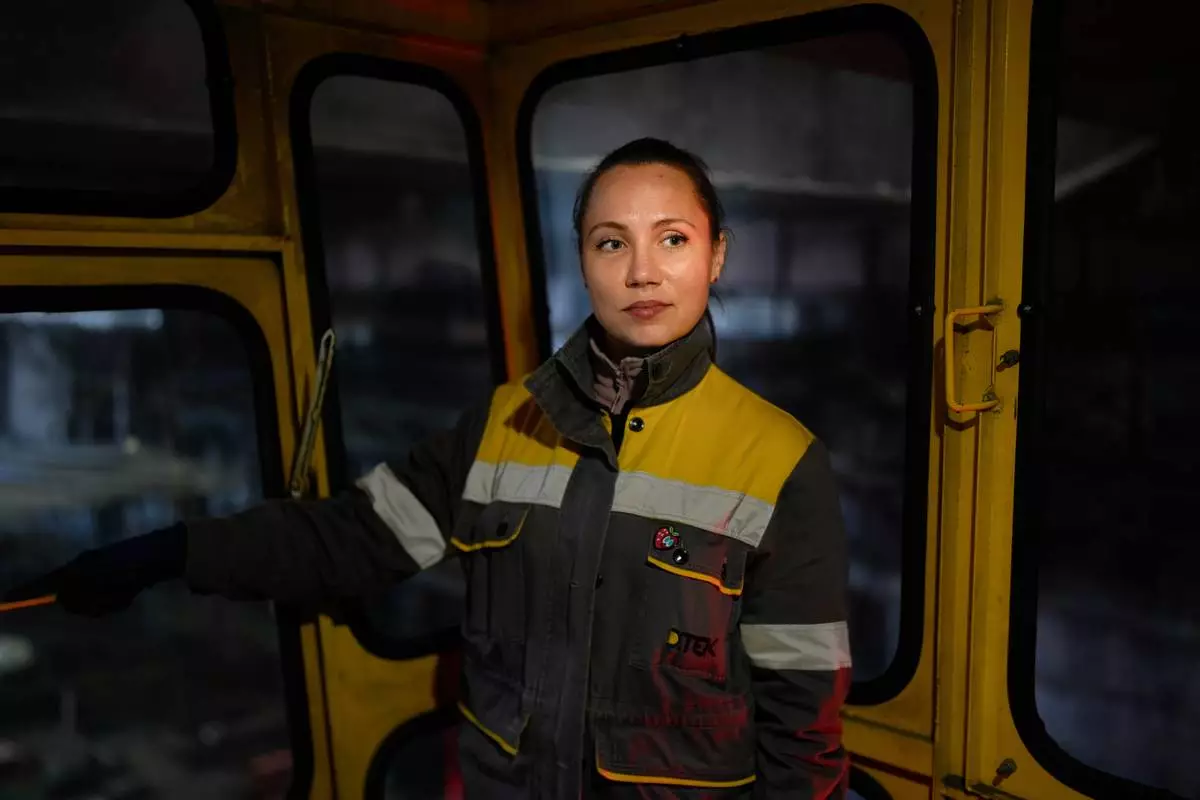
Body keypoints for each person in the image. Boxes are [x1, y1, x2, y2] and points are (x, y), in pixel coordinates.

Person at [6, 137, 852, 799]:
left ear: (717, 256)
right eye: (610, 242)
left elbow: (801, 726)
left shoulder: (778, 461)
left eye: (672, 239)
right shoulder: (501, 426)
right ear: (583, 261)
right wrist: (170, 552)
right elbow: (349, 540)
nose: (641, 271)